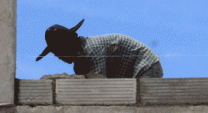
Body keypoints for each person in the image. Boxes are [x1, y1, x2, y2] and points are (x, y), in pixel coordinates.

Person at [35, 19, 163, 78]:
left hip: (146, 66)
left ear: (67, 46)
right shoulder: (81, 61)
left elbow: (100, 84)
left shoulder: (92, 50)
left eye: (58, 52)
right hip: (130, 74)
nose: (58, 57)